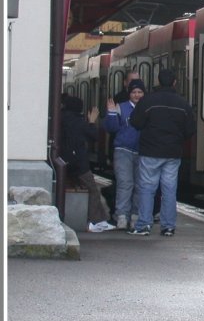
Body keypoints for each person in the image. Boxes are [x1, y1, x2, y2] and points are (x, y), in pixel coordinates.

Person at [128, 68, 195, 237]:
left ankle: (144, 224)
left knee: (147, 188)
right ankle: (168, 226)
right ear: (174, 82)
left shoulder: (148, 101)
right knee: (169, 189)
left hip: (150, 151)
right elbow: (190, 129)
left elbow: (135, 122)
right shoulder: (183, 104)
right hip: (173, 153)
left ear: (158, 81)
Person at [60, 95, 116, 232]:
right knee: (92, 190)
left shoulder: (60, 118)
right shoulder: (79, 121)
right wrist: (91, 122)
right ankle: (97, 221)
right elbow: (94, 136)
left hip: (62, 161)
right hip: (78, 162)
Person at [104, 78, 145, 231]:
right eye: (134, 92)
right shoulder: (121, 107)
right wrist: (112, 113)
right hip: (123, 150)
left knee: (140, 185)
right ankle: (121, 216)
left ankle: (135, 216)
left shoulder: (147, 108)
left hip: (142, 151)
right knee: (125, 183)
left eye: (140, 92)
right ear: (129, 94)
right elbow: (111, 128)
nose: (137, 95)